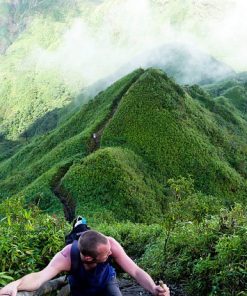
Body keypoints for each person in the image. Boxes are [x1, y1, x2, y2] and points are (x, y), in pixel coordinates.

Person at [0, 230, 170, 296]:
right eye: (107, 254)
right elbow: (40, 277)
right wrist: (16, 284)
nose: (111, 254)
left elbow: (135, 271)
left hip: (106, 282)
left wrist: (153, 288)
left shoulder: (110, 244)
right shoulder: (66, 257)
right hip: (80, 287)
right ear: (88, 258)